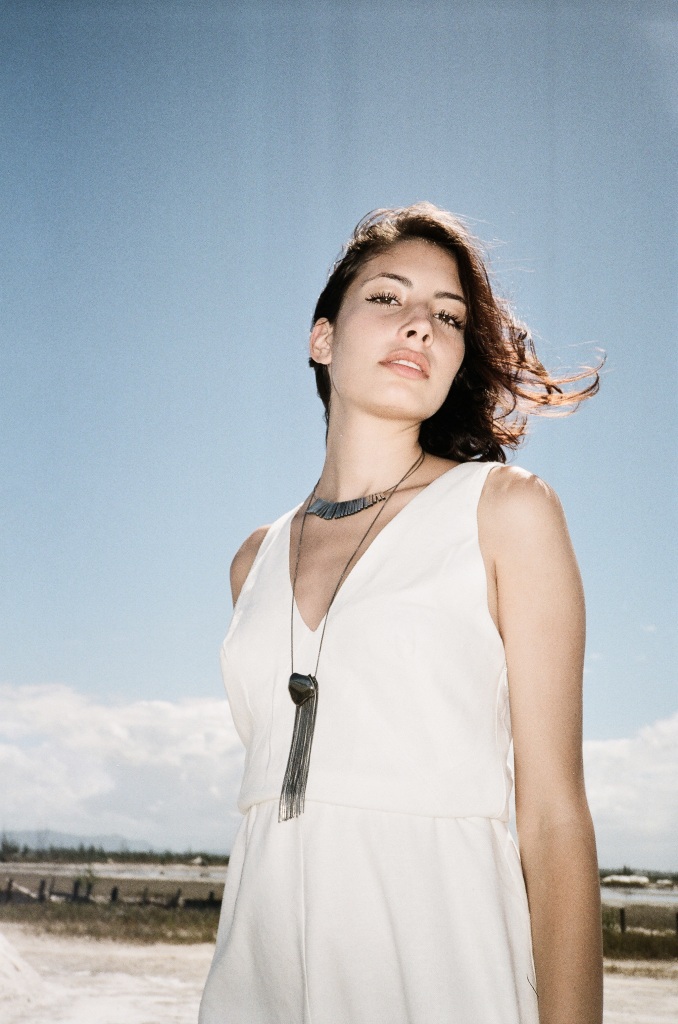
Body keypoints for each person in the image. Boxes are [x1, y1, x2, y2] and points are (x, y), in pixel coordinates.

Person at [199, 203, 604, 1024]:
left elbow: (554, 819)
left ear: (456, 359)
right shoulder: (254, 561)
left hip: (441, 969)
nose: (421, 324)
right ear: (323, 339)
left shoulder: (505, 511)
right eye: (387, 298)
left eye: (448, 317)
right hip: (260, 977)